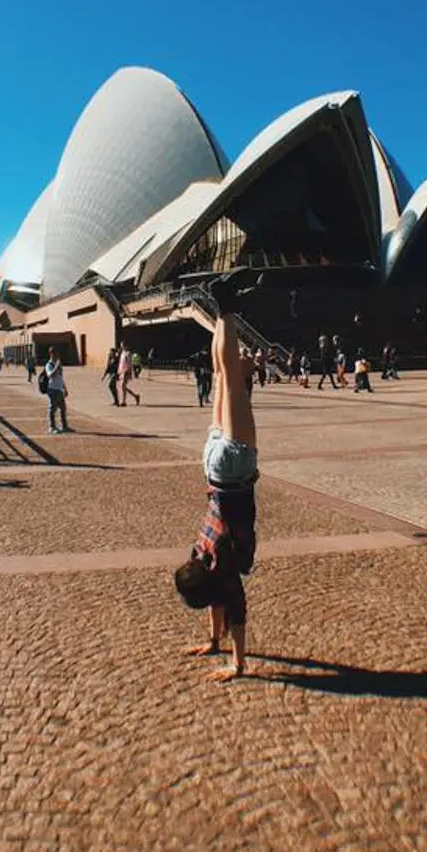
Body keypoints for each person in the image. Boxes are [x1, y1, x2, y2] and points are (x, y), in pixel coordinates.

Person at [177, 268, 261, 682]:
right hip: (211, 466)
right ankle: (219, 303)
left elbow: (234, 610)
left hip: (234, 467)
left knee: (230, 375)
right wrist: (212, 642)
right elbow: (216, 600)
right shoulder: (202, 554)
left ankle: (226, 307)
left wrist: (237, 662)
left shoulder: (222, 567)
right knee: (219, 376)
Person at [45, 347, 70, 433]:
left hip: (59, 389)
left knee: (63, 408)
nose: (57, 355)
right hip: (52, 389)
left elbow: (60, 378)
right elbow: (50, 375)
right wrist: (56, 367)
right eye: (55, 354)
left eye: (57, 354)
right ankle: (52, 427)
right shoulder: (49, 364)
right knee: (52, 409)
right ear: (51, 354)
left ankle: (64, 426)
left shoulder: (58, 364)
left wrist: (65, 388)